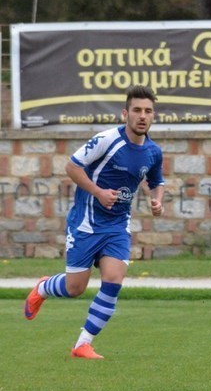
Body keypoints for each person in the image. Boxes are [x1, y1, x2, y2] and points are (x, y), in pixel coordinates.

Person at [23, 85, 165, 359]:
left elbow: (157, 181)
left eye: (148, 111)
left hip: (117, 226)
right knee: (74, 288)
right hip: (86, 223)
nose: (142, 116)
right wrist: (98, 192)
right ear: (125, 113)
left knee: (113, 280)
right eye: (137, 110)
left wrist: (157, 200)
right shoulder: (106, 140)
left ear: (153, 116)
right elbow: (72, 167)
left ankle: (82, 344)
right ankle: (43, 287)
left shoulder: (153, 152)